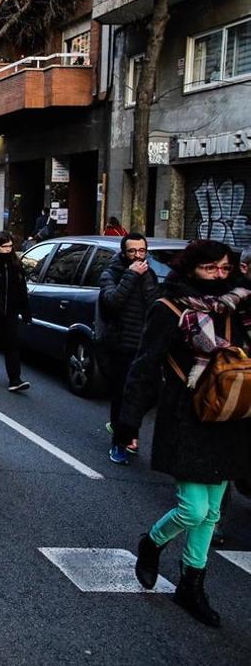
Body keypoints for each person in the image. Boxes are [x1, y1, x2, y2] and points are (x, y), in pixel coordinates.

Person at [118, 240, 251, 627]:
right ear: (191, 269)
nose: (219, 276)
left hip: (230, 417)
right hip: (187, 415)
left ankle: (192, 585)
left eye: (226, 268)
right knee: (193, 508)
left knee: (210, 514)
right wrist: (128, 421)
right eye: (210, 269)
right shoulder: (170, 308)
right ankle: (152, 543)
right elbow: (144, 365)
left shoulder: (238, 308)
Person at [98, 233, 161, 464]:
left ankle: (126, 426)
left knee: (152, 394)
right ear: (124, 252)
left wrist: (143, 278)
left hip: (146, 346)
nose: (137, 255)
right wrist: (131, 275)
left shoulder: (150, 274)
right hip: (121, 345)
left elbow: (155, 304)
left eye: (142, 251)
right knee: (123, 397)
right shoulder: (111, 273)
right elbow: (112, 302)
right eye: (132, 251)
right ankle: (120, 442)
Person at [0, 231, 30, 390]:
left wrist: (25, 310)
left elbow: (21, 288)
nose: (8, 250)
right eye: (4, 247)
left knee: (11, 343)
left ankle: (15, 378)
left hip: (10, 310)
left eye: (10, 246)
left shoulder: (15, 265)